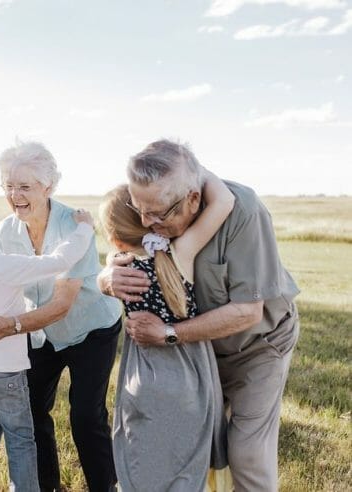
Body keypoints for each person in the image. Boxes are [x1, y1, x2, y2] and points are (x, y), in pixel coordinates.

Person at [97, 139, 300, 492]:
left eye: (159, 214)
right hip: (198, 357)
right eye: (140, 211)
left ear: (193, 197)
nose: (148, 224)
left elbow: (248, 312)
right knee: (201, 446)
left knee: (247, 452)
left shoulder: (243, 212)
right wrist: (106, 278)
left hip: (256, 346)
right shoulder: (164, 239)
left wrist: (167, 333)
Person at [0, 141, 122, 492]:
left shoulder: (74, 226)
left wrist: (10, 326)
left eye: (25, 186)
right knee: (32, 413)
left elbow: (62, 304)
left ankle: (104, 487)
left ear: (49, 187)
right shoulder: (3, 232)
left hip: (90, 330)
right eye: (9, 187)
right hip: (39, 334)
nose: (16, 195)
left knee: (86, 417)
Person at [0, 197, 95, 492]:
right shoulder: (4, 266)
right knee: (20, 437)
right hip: (6, 373)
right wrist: (84, 229)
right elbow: (58, 261)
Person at [99, 182, 234, 492]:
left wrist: (107, 262)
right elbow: (223, 201)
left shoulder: (121, 268)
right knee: (186, 470)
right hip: (190, 379)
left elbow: (117, 253)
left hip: (144, 381)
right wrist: (188, 170)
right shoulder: (180, 253)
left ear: (115, 240)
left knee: (144, 465)